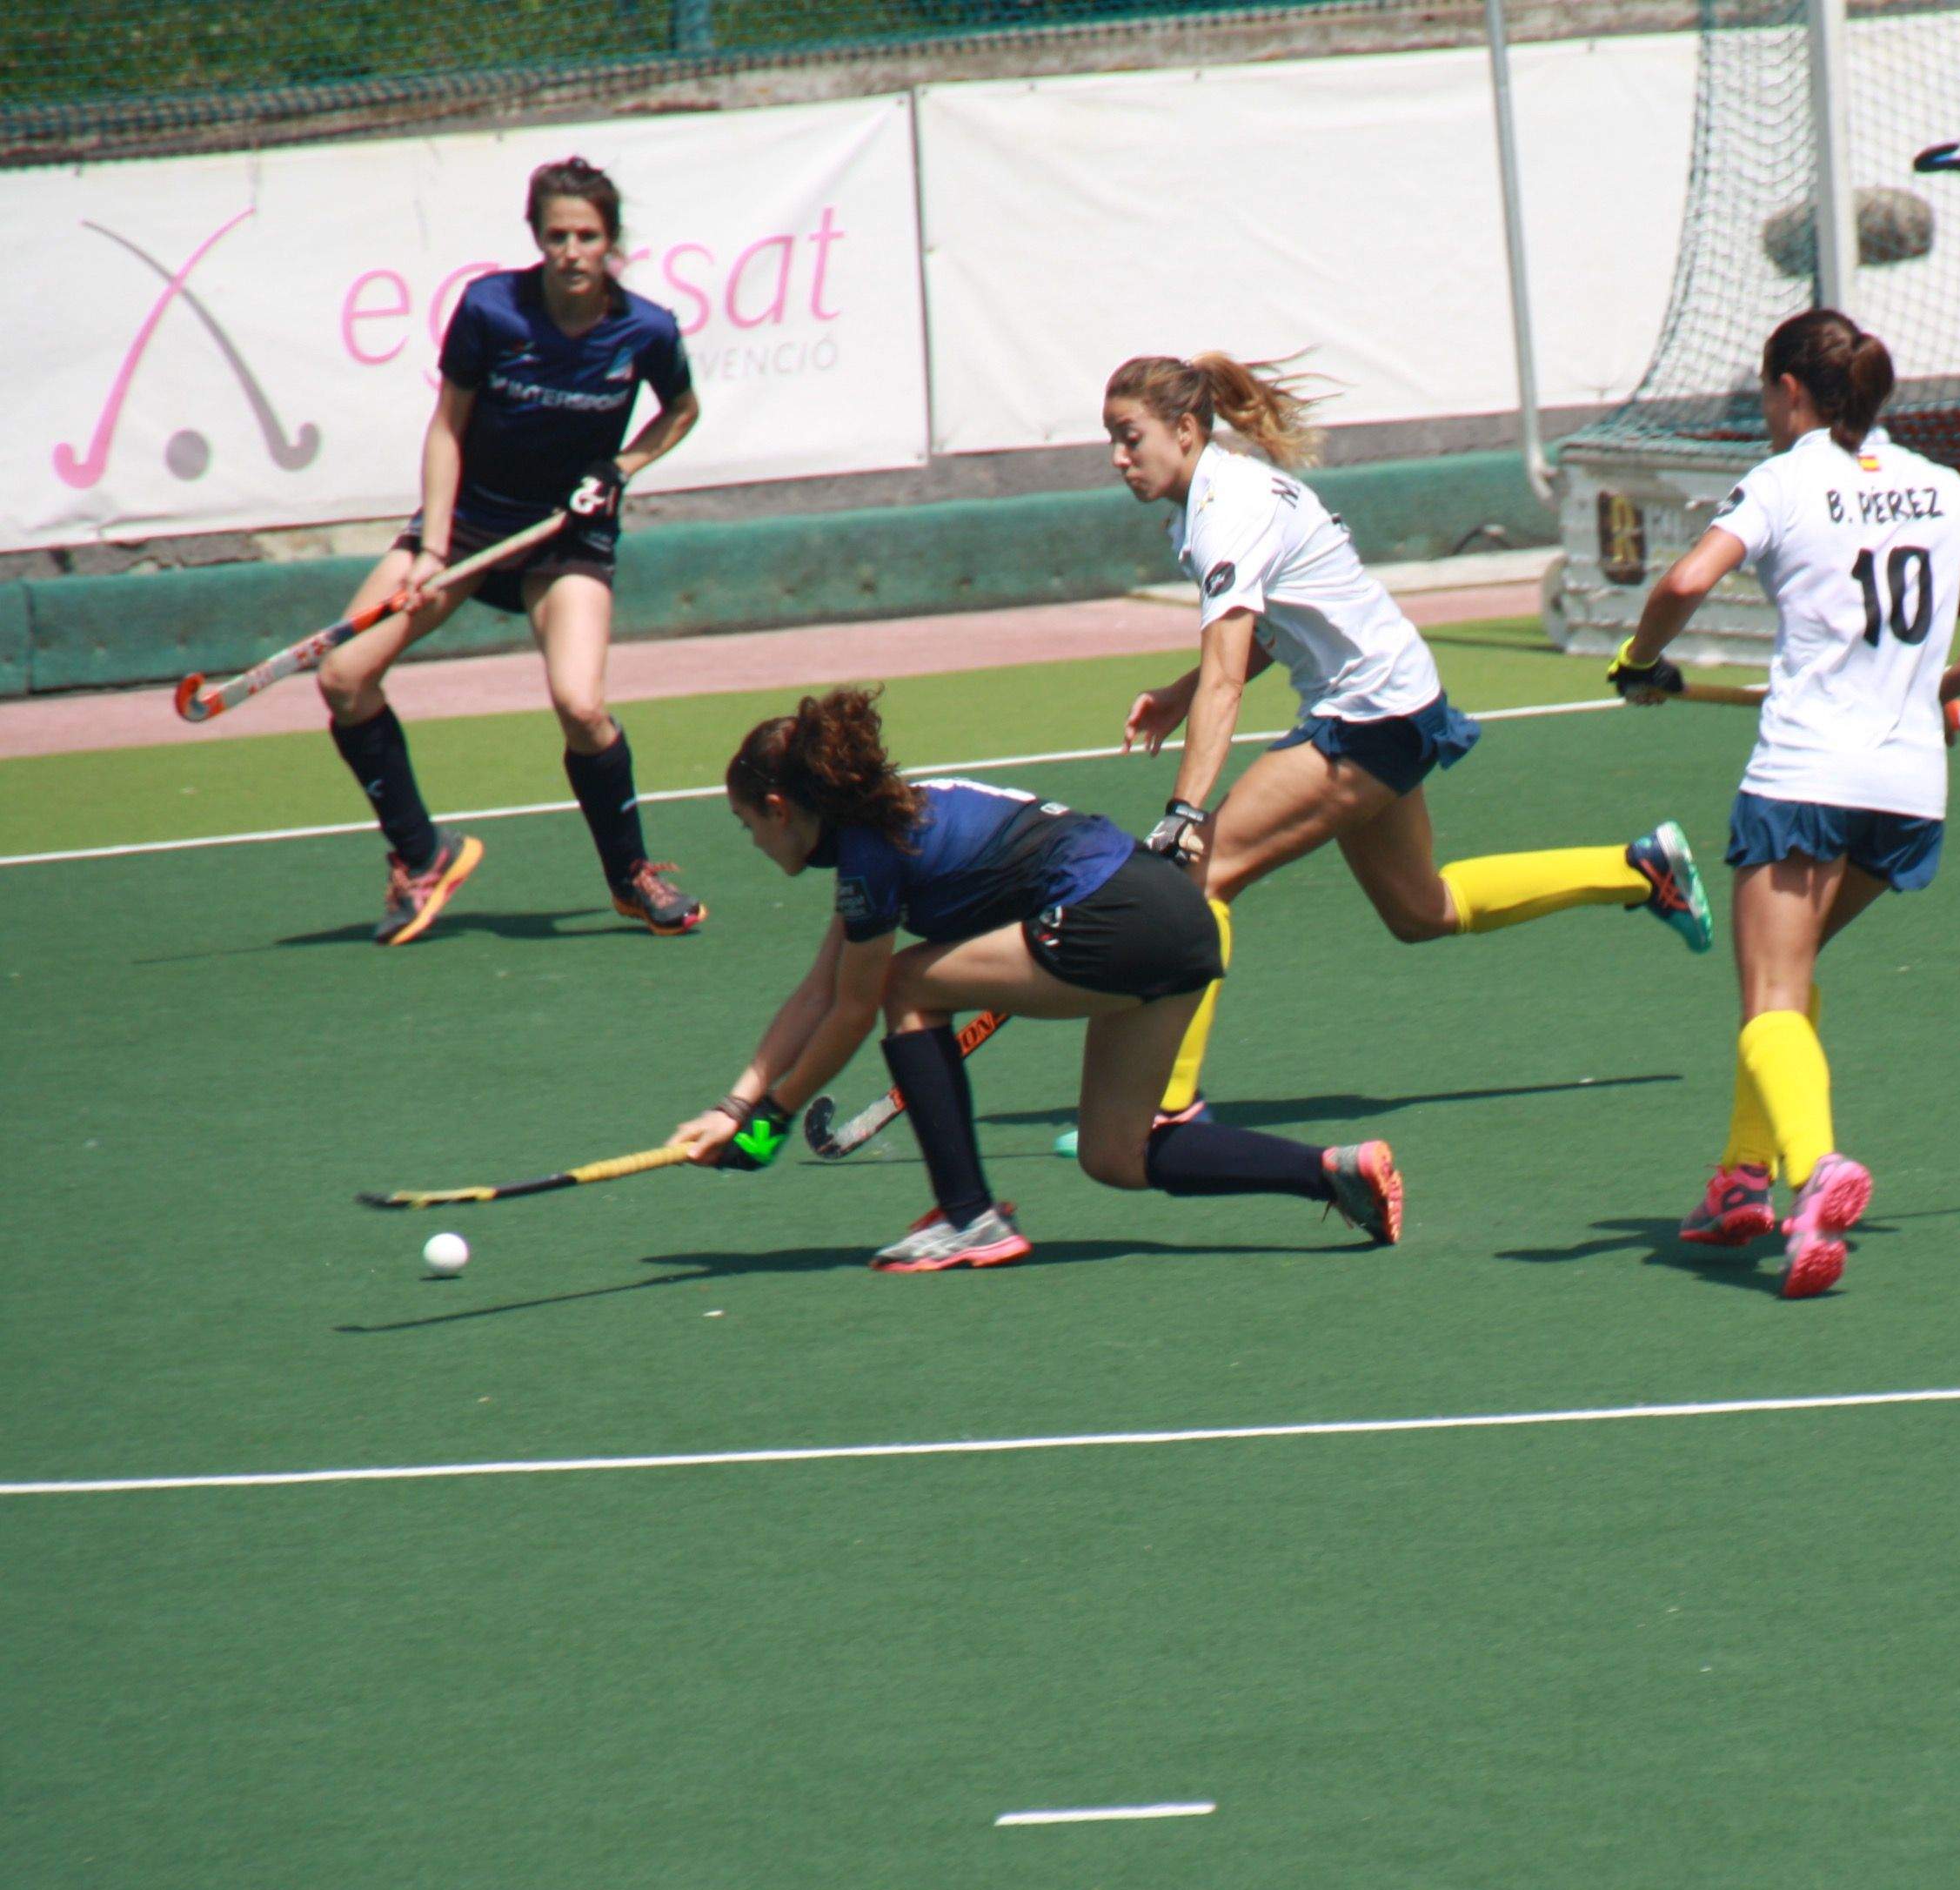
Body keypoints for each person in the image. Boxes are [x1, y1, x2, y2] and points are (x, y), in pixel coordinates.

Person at [1105, 353, 1713, 1126]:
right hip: (1388, 700)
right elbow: (1271, 630)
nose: (1118, 458)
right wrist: (1176, 694)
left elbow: (1226, 684)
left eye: (1131, 437)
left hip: (1368, 714)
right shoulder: (1208, 501)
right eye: (1112, 439)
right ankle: (1640, 869)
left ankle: (1166, 1109)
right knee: (1421, 911)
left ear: (1187, 431)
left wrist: (1184, 814)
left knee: (1201, 878)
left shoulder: (1227, 510)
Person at [668, 688, 1403, 1272]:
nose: (754, 842)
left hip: (1113, 915)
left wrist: (769, 1122)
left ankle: (969, 1217)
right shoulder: (889, 821)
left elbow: (854, 1009)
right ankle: (1331, 1171)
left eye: (748, 825)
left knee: (905, 985)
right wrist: (737, 1104)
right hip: (1178, 915)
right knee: (1115, 1155)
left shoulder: (870, 856)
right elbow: (818, 993)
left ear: (780, 809)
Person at [1606, 310, 1960, 1298]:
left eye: (1765, 394)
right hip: (1907, 793)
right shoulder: (1949, 487)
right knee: (1785, 984)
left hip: (1805, 779)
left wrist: (1641, 659)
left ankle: (1816, 1169)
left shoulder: (1786, 480)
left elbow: (1684, 579)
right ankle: (1740, 1181)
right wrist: (1936, 690)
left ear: (1792, 390)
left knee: (1769, 997)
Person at [316, 156, 706, 947]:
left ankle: (631, 874)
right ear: (536, 236)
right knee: (343, 677)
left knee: (581, 707)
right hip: (466, 525)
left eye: (587, 236)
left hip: (567, 536)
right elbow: (446, 427)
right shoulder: (490, 309)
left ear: (611, 241)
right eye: (557, 235)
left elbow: (682, 411)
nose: (571, 251)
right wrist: (432, 550)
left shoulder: (647, 329)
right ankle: (424, 855)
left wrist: (619, 468)